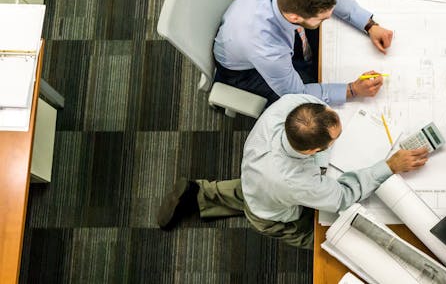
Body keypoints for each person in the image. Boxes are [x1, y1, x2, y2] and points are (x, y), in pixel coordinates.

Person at [156, 94, 429, 249]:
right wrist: (389, 166)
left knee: (253, 190)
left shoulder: (291, 105)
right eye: (334, 139)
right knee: (328, 239)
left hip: (257, 177)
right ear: (313, 151)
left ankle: (199, 193)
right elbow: (343, 197)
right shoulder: (297, 182)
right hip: (273, 213)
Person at [213, 0, 395, 106]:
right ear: (295, 17)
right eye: (323, 18)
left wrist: (369, 25)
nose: (329, 18)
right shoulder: (266, 48)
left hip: (248, 30)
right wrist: (352, 90)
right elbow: (296, 93)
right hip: (243, 71)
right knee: (309, 102)